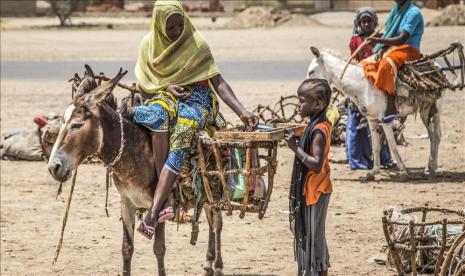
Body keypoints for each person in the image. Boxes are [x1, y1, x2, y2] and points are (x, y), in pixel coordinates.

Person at [134, 0, 257, 239]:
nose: (177, 31)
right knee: (154, 117)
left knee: (183, 127)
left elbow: (218, 83)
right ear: (158, 26)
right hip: (166, 96)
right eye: (170, 28)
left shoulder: (196, 42)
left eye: (180, 24)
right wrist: (168, 88)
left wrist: (242, 111)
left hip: (199, 100)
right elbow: (146, 89)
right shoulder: (148, 46)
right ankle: (166, 196)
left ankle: (154, 210)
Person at [285, 79, 332, 276]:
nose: (298, 105)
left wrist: (295, 148)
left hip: (316, 190)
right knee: (313, 236)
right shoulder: (315, 124)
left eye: (302, 101)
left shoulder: (319, 130)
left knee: (313, 238)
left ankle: (314, 271)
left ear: (318, 104)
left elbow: (316, 163)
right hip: (312, 189)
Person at [346, 7, 395, 170]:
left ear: (375, 23)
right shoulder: (355, 41)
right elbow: (354, 64)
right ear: (359, 23)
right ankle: (359, 162)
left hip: (377, 85)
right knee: (356, 124)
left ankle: (384, 158)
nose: (366, 24)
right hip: (360, 86)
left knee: (381, 125)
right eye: (363, 21)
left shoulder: (382, 39)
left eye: (369, 21)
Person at [363, 0, 424, 124]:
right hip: (394, 48)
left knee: (385, 65)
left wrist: (379, 41)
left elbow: (402, 38)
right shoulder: (395, 10)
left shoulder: (414, 13)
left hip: (409, 50)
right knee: (366, 64)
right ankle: (376, 102)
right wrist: (382, 48)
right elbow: (390, 34)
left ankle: (391, 107)